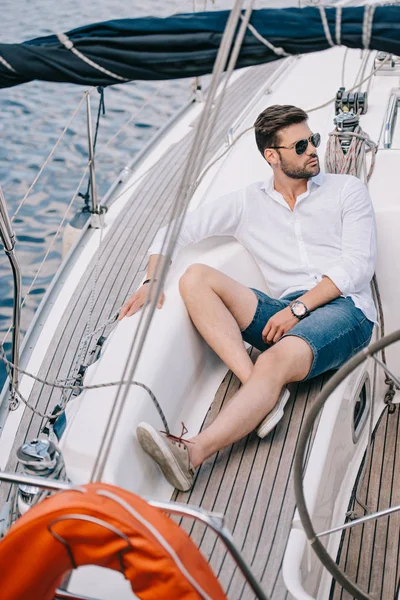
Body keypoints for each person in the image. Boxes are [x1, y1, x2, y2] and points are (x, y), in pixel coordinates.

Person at [119, 104, 376, 492]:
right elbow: (174, 230)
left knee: (275, 357)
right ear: (272, 156)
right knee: (195, 278)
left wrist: (299, 309)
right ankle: (260, 390)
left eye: (314, 140)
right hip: (286, 309)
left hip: (345, 308)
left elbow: (358, 266)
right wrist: (153, 279)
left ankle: (192, 454)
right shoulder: (246, 202)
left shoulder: (346, 191)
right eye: (301, 145)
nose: (313, 150)